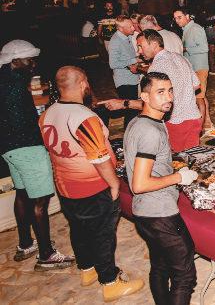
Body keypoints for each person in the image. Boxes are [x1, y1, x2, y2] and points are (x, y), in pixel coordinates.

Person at [40, 66, 144, 300]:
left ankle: (86, 270)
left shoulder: (48, 113)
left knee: (78, 228)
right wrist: (114, 184)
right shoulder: (83, 116)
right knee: (102, 234)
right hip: (92, 187)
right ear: (82, 84)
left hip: (65, 186)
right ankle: (110, 281)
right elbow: (98, 156)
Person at [0, 40, 76, 271]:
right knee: (40, 200)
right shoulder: (14, 86)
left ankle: (26, 244)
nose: (33, 64)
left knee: (22, 193)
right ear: (15, 62)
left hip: (9, 148)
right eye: (28, 60)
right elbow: (21, 123)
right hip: (27, 147)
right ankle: (46, 254)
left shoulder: (6, 79)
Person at [124, 72, 199, 305]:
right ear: (144, 96)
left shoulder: (139, 122)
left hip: (143, 213)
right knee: (185, 276)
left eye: (170, 90)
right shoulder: (150, 131)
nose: (168, 97)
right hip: (160, 213)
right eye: (160, 92)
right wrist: (179, 177)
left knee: (159, 266)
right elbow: (140, 184)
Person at [100, 30, 202, 151]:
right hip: (194, 118)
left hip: (176, 123)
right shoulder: (180, 57)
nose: (139, 51)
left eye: (140, 46)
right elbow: (196, 86)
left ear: (154, 44)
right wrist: (182, 95)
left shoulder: (157, 66)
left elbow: (153, 104)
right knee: (191, 161)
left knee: (174, 164)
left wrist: (123, 104)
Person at [174, 8, 212, 131]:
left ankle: (199, 128)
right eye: (175, 18)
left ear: (187, 16)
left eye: (179, 17)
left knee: (198, 97)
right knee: (202, 95)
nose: (177, 21)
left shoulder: (195, 29)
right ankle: (207, 121)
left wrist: (185, 50)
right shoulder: (186, 30)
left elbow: (204, 48)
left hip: (199, 67)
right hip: (193, 67)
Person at [108, 15, 141, 130]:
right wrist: (134, 60)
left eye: (132, 25)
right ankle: (128, 137)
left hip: (131, 78)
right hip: (124, 80)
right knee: (131, 111)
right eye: (130, 26)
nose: (133, 28)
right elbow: (113, 64)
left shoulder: (126, 37)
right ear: (120, 29)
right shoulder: (116, 41)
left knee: (132, 111)